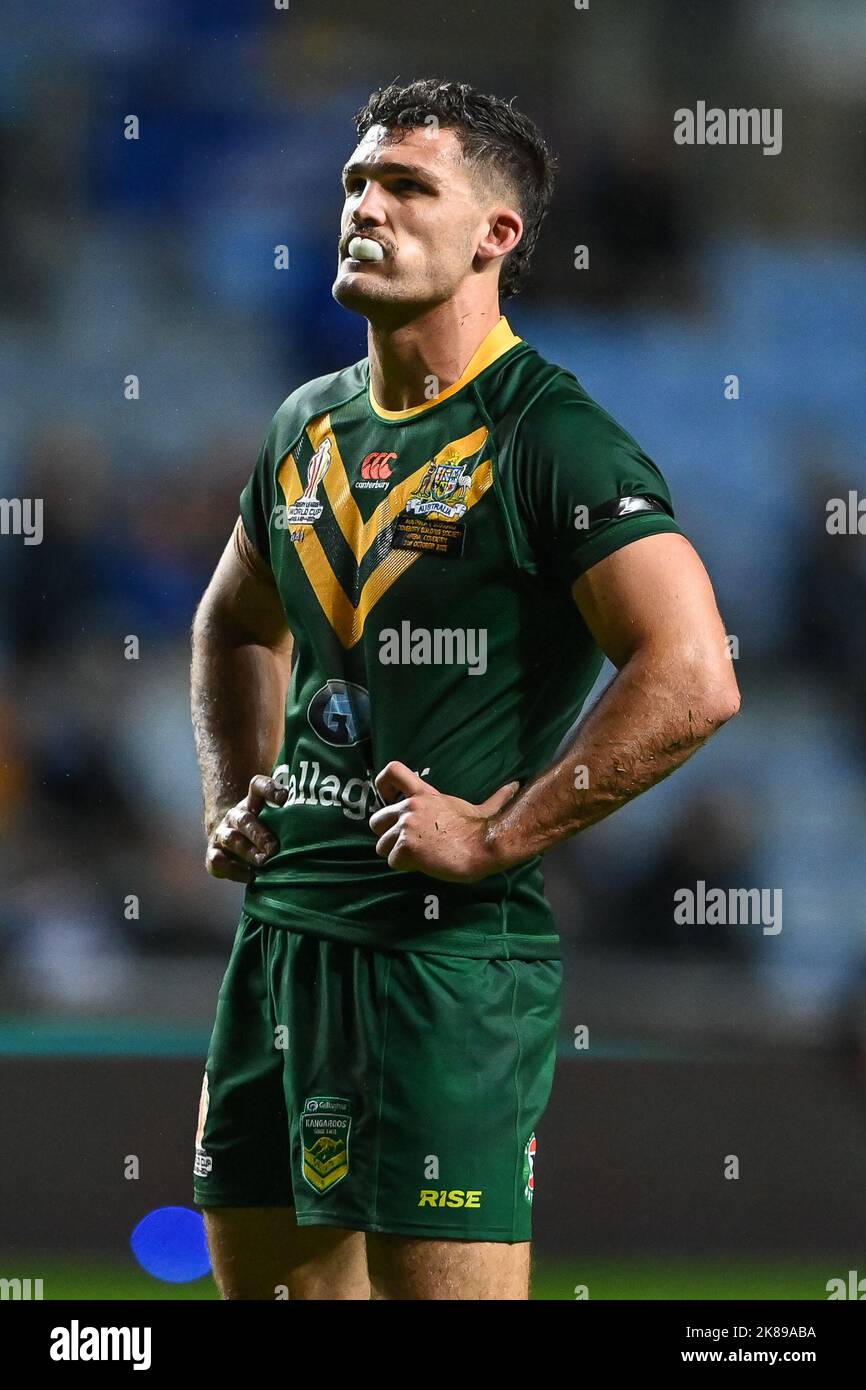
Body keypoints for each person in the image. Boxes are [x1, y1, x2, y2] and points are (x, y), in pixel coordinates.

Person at [189, 78, 740, 1301]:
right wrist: (236, 791)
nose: (364, 208)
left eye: (405, 186)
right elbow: (233, 619)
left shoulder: (551, 437)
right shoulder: (303, 428)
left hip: (441, 968)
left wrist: (498, 832)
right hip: (282, 947)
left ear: (495, 235)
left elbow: (694, 674)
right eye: (353, 183)